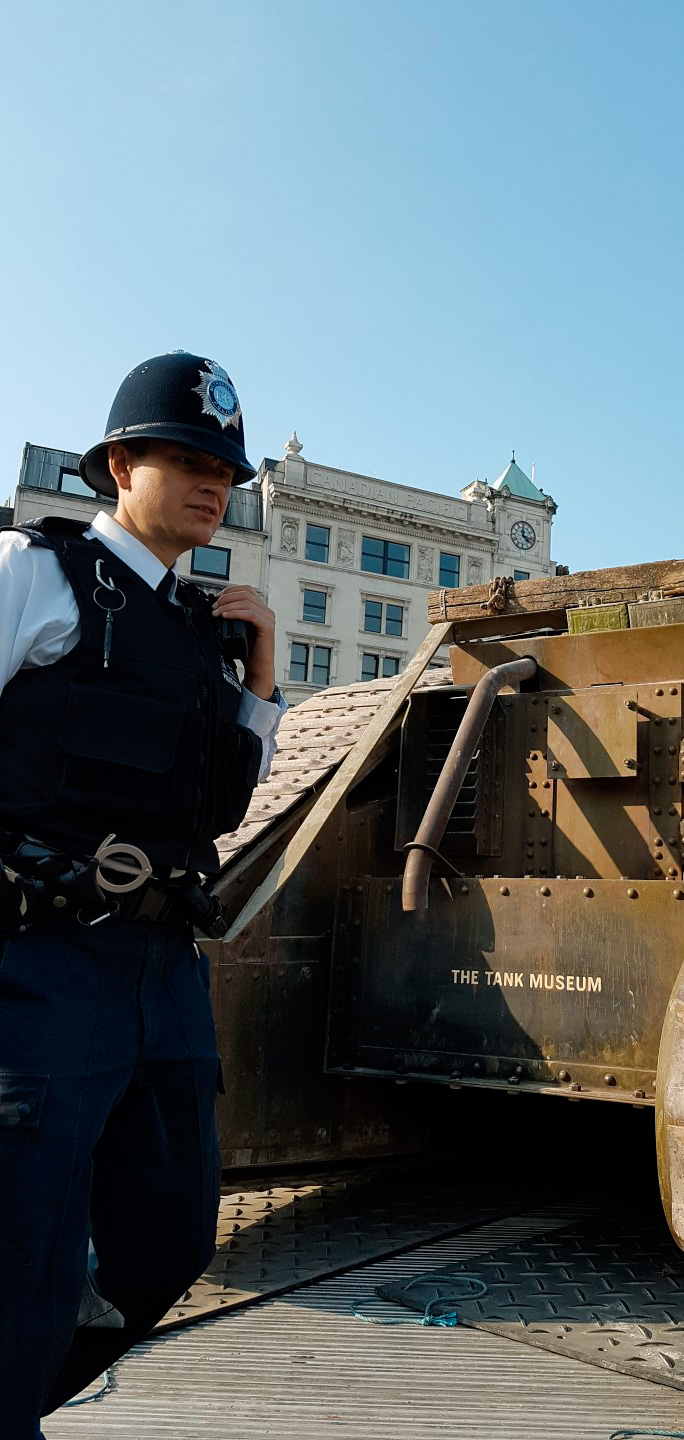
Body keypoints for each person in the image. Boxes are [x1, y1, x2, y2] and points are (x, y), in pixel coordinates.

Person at [0, 351, 285, 1438]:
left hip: (163, 973)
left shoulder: (196, 625)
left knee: (171, 1242)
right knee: (21, 1252)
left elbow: (220, 801)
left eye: (225, 469)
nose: (213, 483)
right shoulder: (36, 574)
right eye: (185, 459)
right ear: (120, 465)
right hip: (42, 963)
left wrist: (258, 676)